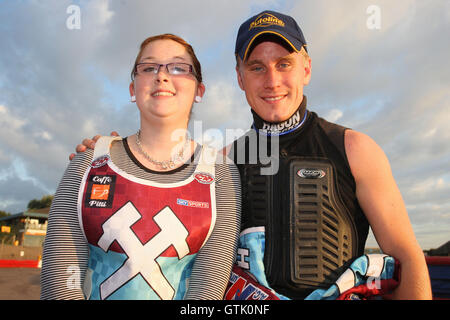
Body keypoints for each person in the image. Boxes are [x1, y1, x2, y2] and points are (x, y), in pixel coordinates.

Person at [71, 11, 432, 300]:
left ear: (306, 68)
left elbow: (408, 258)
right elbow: (154, 189)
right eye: (256, 67)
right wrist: (109, 155)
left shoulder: (354, 148)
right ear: (240, 77)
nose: (271, 80)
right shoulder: (219, 164)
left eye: (284, 64)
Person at [41, 34, 241, 300]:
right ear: (133, 89)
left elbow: (208, 289)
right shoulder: (88, 164)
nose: (162, 76)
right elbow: (59, 284)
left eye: (179, 67)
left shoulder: (221, 173)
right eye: (148, 67)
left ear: (199, 91)